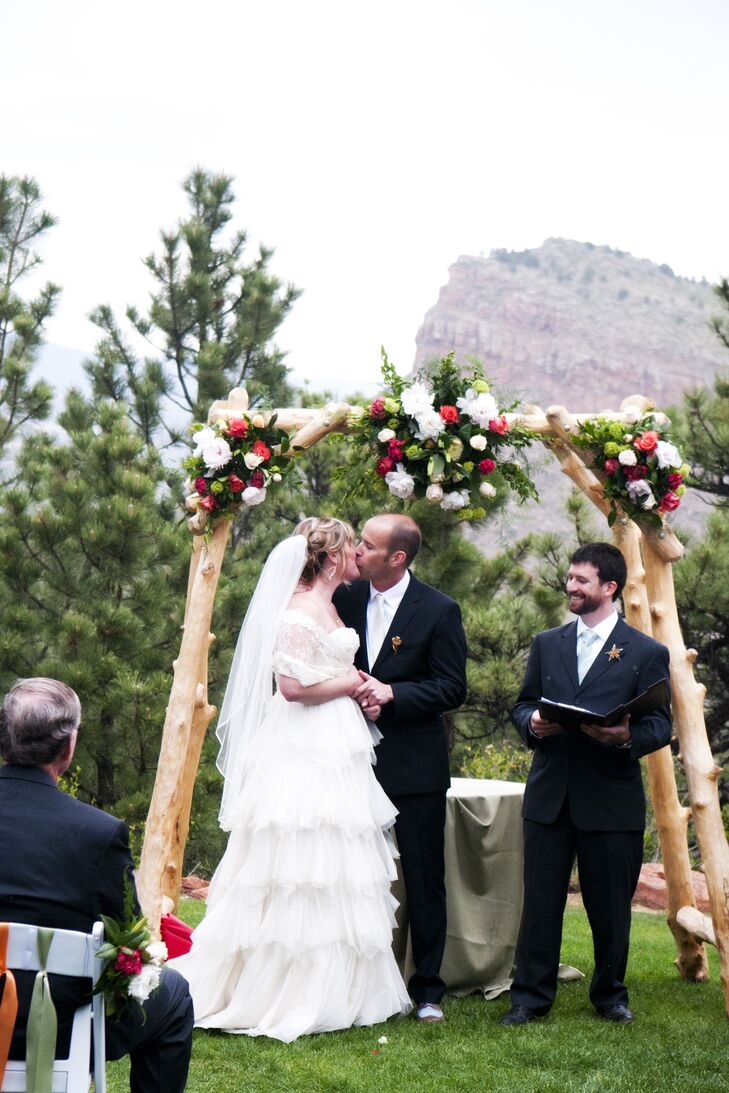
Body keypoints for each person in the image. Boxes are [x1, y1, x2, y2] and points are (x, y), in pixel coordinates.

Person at [169, 517, 411, 1041]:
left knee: (336, 858)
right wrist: (350, 681)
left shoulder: (329, 603)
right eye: (350, 548)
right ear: (329, 559)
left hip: (337, 739)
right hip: (304, 742)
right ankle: (279, 985)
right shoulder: (299, 611)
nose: (356, 556)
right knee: (298, 857)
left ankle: (340, 988)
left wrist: (354, 683)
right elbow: (294, 687)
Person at [502, 542, 672, 1026]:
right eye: (570, 578)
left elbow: (660, 725)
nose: (570, 586)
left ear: (609, 588)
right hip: (549, 797)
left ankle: (610, 995)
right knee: (540, 903)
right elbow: (521, 704)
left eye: (581, 580)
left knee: (611, 907)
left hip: (611, 799)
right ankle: (530, 998)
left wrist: (624, 736)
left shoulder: (645, 652)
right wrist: (532, 723)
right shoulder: (547, 643)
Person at [0, 677, 194, 1092]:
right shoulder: (97, 833)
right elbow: (129, 945)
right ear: (68, 747)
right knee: (173, 995)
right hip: (55, 1033)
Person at [333, 513, 468, 1023]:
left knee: (422, 875)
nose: (357, 551)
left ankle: (428, 988)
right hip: (347, 761)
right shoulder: (343, 599)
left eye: (366, 546)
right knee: (345, 873)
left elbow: (453, 686)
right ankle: (354, 977)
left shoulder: (438, 610)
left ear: (397, 558)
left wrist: (393, 693)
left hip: (414, 766)